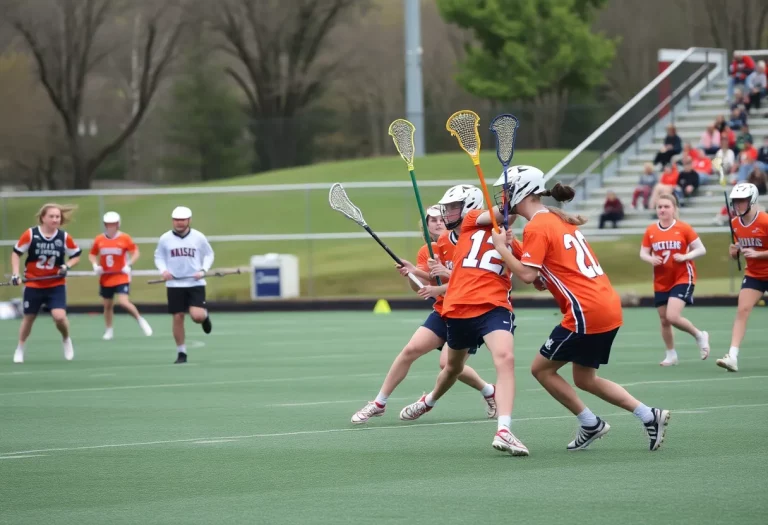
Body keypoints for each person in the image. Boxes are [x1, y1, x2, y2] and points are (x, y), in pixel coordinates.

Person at [489, 165, 670, 452]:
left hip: (586, 311)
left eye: (508, 190)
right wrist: (542, 276)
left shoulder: (537, 225)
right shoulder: (553, 219)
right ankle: (648, 415)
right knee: (584, 378)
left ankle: (590, 422)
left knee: (541, 369)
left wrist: (501, 248)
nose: (504, 195)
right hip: (604, 305)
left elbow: (526, 275)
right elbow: (556, 269)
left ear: (522, 190)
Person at [398, 184, 529, 456]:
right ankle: (430, 400)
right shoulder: (470, 222)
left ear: (468, 204)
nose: (448, 213)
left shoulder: (507, 237)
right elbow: (499, 213)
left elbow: (528, 272)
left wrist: (508, 243)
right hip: (459, 309)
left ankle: (504, 429)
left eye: (454, 206)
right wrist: (507, 202)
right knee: (450, 368)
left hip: (494, 307)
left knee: (505, 358)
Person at [350, 203, 497, 424]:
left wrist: (438, 284)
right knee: (410, 350)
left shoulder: (466, 242)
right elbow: (420, 286)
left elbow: (469, 281)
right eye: (433, 220)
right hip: (443, 310)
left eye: (441, 218)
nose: (439, 222)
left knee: (447, 364)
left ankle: (487, 391)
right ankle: (379, 403)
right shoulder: (426, 250)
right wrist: (412, 272)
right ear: (426, 225)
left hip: (469, 311)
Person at [640, 194, 709, 366]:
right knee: (664, 319)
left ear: (674, 209)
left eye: (666, 206)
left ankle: (699, 335)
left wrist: (686, 256)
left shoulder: (684, 228)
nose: (662, 210)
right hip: (661, 279)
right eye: (659, 207)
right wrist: (650, 259)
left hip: (683, 276)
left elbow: (701, 249)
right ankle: (671, 354)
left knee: (672, 316)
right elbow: (643, 253)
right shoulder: (651, 230)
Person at [10, 203, 81, 364]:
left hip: (55, 285)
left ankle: (66, 339)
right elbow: (16, 254)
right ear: (43, 218)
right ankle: (20, 348)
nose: (55, 219)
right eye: (52, 216)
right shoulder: (31, 234)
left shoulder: (63, 237)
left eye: (57, 217)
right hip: (33, 284)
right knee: (29, 318)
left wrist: (66, 266)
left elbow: (76, 255)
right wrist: (16, 274)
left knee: (59, 317)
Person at [154, 206, 214, 364]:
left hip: (195, 283)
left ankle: (205, 317)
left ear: (189, 220)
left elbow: (209, 254)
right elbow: (159, 257)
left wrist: (203, 270)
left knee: (197, 316)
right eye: (176, 220)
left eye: (182, 220)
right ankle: (181, 352)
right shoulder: (165, 239)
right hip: (175, 284)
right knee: (178, 316)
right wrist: (164, 271)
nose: (179, 223)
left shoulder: (198, 237)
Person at [717, 183, 768, 372]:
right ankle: (732, 355)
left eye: (742, 201)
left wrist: (759, 254)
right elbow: (739, 246)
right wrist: (734, 251)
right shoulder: (735, 223)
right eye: (735, 201)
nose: (737, 205)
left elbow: (756, 251)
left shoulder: (765, 221)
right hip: (754, 274)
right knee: (742, 310)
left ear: (752, 200)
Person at [89, 211, 153, 340]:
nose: (111, 227)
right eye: (108, 224)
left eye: (114, 224)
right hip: (106, 277)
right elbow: (92, 254)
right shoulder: (99, 239)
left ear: (118, 224)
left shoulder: (125, 238)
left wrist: (128, 264)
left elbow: (135, 252)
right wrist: (95, 266)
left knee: (124, 302)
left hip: (121, 276)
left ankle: (140, 320)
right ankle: (109, 330)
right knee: (107, 305)